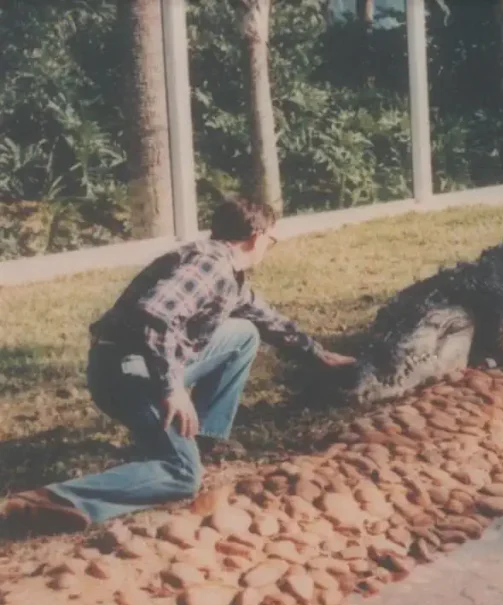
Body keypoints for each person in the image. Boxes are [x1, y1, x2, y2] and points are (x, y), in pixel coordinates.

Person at [0, 197, 355, 539]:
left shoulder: (225, 271)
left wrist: (319, 354)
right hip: (125, 374)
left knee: (244, 333)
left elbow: (267, 320)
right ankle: (49, 500)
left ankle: (202, 441)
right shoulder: (210, 266)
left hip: (139, 363)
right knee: (183, 476)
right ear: (257, 237)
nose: (270, 247)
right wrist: (173, 389)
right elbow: (155, 317)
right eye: (272, 240)